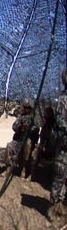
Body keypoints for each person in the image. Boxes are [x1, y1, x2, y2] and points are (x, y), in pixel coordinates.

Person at [48, 70, 67, 220]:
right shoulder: (63, 98)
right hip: (64, 142)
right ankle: (54, 206)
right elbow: (60, 121)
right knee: (60, 174)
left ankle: (62, 205)